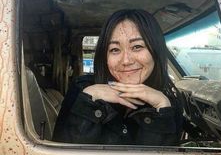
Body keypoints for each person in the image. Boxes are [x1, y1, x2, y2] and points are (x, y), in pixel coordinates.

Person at [53, 9, 183, 146]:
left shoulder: (169, 102)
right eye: (114, 49)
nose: (126, 60)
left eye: (137, 47)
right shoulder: (82, 89)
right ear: (104, 57)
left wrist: (161, 110)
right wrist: (89, 101)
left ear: (156, 51)